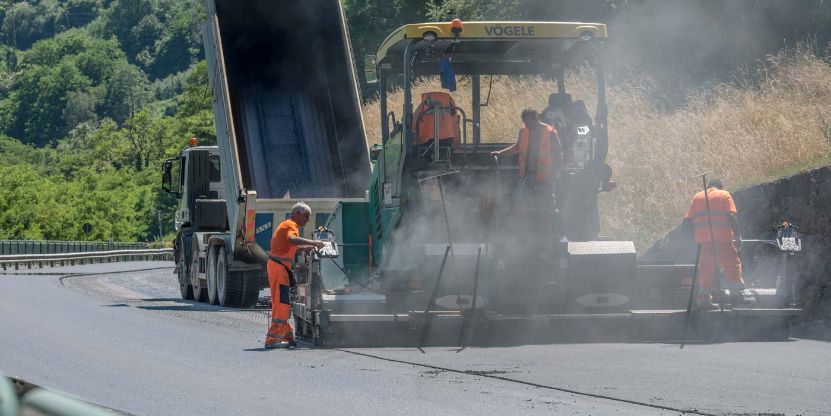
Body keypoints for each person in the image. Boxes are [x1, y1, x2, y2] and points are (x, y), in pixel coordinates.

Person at [683, 179, 754, 308]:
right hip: (723, 239)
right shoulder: (724, 194)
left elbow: (687, 223)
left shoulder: (697, 197)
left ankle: (704, 301)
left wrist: (693, 240)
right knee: (731, 265)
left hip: (704, 242)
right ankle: (737, 297)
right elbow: (731, 217)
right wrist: (737, 235)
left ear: (709, 186)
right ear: (720, 187)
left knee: (706, 269)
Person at [265, 202, 324, 349]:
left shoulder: (286, 225)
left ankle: (287, 336)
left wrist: (305, 248)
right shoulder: (291, 225)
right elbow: (292, 240)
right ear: (297, 214)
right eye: (306, 216)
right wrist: (314, 243)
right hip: (279, 268)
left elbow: (290, 246)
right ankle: (272, 340)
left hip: (278, 267)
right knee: (281, 304)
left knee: (283, 302)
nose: (307, 220)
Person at [492, 109, 563, 204]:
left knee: (546, 206)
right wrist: (500, 153)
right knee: (521, 203)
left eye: (528, 122)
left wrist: (556, 174)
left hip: (545, 178)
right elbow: (517, 147)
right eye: (525, 122)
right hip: (527, 176)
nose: (526, 125)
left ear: (535, 119)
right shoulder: (524, 132)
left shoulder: (550, 132)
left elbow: (559, 155)